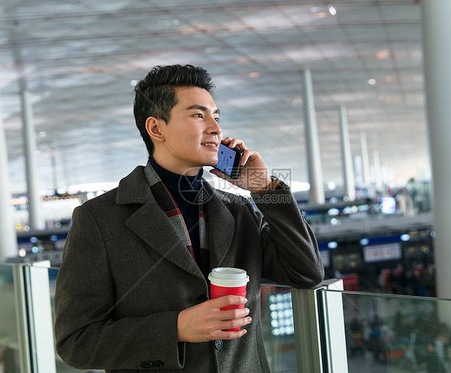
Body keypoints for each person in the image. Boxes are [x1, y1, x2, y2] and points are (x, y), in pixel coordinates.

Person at [54, 64, 324, 373]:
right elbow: (75, 341)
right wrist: (176, 328)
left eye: (216, 116)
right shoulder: (100, 219)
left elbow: (307, 272)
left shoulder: (239, 210)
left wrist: (265, 189)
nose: (216, 129)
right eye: (199, 115)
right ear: (157, 129)